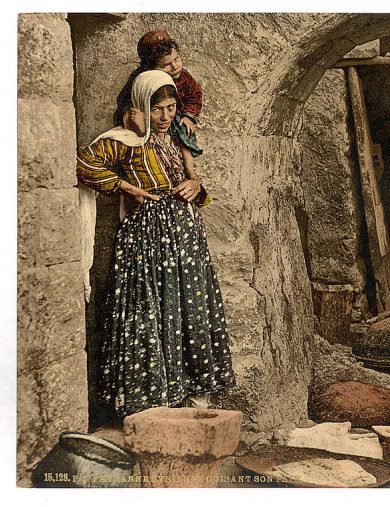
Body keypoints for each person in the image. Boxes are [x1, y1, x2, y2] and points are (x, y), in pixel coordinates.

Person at [77, 70, 235, 419]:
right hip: (147, 239)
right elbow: (85, 166)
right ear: (138, 109)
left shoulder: (178, 138)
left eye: (171, 107)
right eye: (157, 109)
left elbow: (199, 191)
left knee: (188, 311)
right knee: (150, 311)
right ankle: (151, 407)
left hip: (186, 237)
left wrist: (197, 186)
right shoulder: (124, 141)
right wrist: (127, 188)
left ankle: (192, 401)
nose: (165, 117)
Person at [115, 30, 203, 183]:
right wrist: (134, 116)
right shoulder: (141, 79)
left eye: (177, 59)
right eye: (165, 65)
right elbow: (124, 100)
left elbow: (194, 95)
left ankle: (189, 167)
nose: (175, 67)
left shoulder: (183, 77)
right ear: (151, 67)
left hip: (174, 121)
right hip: (147, 120)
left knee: (182, 128)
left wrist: (188, 116)